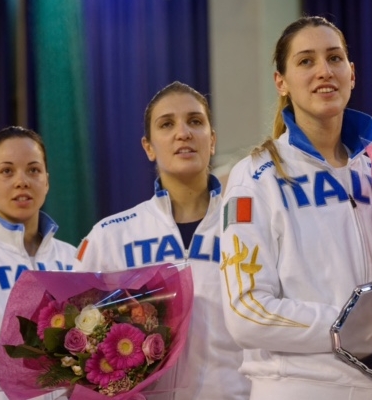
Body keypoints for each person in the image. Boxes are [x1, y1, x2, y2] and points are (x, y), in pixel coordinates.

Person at [219, 16, 372, 400]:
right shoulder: (256, 178)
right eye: (306, 61)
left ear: (352, 73)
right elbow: (246, 312)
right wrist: (345, 324)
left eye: (334, 58)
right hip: (300, 387)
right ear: (281, 82)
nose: (324, 71)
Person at [75, 81, 250, 399]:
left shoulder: (251, 226)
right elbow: (77, 340)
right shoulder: (111, 236)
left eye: (195, 121)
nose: (183, 133)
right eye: (167, 124)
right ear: (149, 146)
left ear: (212, 140)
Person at [0, 126, 78, 399]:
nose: (22, 181)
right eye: (7, 171)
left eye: (33, 170)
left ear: (47, 181)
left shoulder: (73, 259)